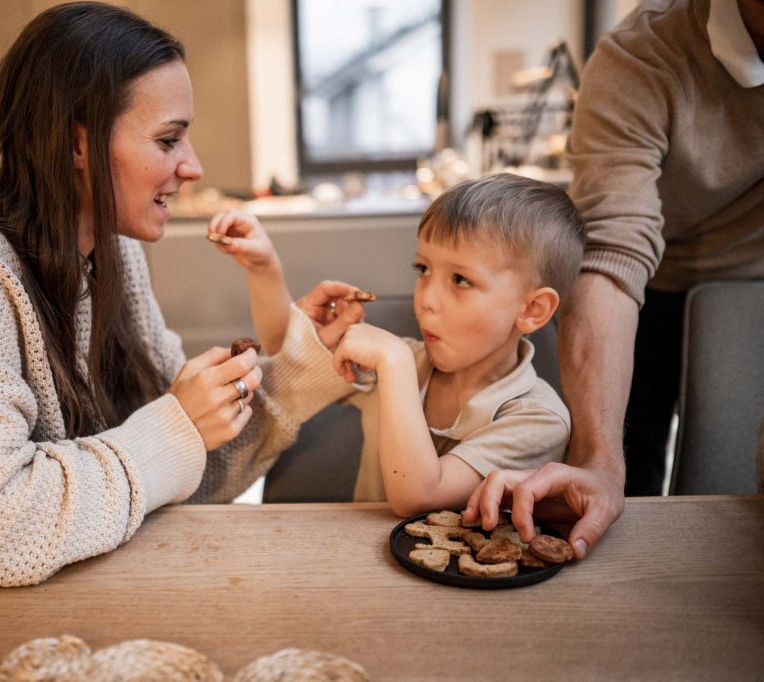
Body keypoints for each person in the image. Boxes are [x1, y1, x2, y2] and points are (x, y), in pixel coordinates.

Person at [0, 2, 363, 589]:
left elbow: (190, 471)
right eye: (168, 140)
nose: (193, 166)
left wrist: (299, 364)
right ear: (76, 144)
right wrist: (175, 427)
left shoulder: (115, 251)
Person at [466, 0, 764, 557]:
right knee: (626, 475)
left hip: (752, 295)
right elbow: (610, 251)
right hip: (647, 289)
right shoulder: (643, 57)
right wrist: (597, 462)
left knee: (728, 489)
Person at [209, 173, 586, 515]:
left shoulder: (538, 420)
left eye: (461, 280)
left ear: (533, 310)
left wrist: (395, 363)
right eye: (424, 270)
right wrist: (264, 270)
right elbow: (289, 357)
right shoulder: (407, 360)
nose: (426, 299)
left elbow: (419, 495)